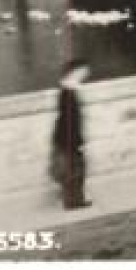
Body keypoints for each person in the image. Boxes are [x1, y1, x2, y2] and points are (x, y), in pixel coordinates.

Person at [50, 60, 91, 209]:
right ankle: (74, 201)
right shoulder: (69, 92)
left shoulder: (66, 90)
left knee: (73, 171)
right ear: (75, 72)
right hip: (69, 140)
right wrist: (78, 143)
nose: (86, 74)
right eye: (83, 71)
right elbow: (71, 121)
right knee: (76, 170)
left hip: (65, 139)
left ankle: (74, 200)